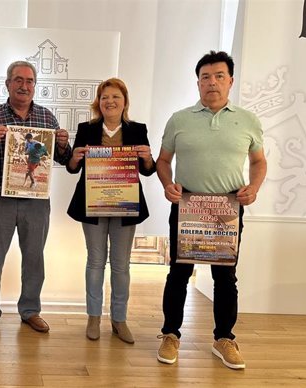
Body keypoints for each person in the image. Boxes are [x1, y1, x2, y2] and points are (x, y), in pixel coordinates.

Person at [155, 51, 267, 369]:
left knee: (225, 277)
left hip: (227, 208)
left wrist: (254, 188)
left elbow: (259, 162)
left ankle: (224, 339)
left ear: (230, 81)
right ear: (198, 83)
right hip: (187, 204)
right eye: (205, 77)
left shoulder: (247, 120)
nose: (212, 82)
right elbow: (163, 160)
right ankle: (170, 334)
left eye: (219, 76)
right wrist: (168, 184)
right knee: (178, 274)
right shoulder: (179, 119)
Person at [0, 61, 71, 334]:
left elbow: (63, 159)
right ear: (7, 84)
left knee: (34, 258)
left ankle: (30, 310)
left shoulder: (47, 118)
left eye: (29, 81)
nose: (24, 85)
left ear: (34, 86)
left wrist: (64, 145)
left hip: (36, 201)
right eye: (18, 80)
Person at [66, 78, 155, 343]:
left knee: (121, 265)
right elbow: (73, 168)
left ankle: (119, 319)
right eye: (105, 97)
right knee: (95, 262)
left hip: (125, 207)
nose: (110, 102)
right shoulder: (86, 129)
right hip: (92, 205)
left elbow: (147, 171)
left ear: (124, 101)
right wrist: (75, 157)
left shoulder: (138, 129)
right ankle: (93, 317)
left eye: (115, 97)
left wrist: (148, 158)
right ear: (98, 102)